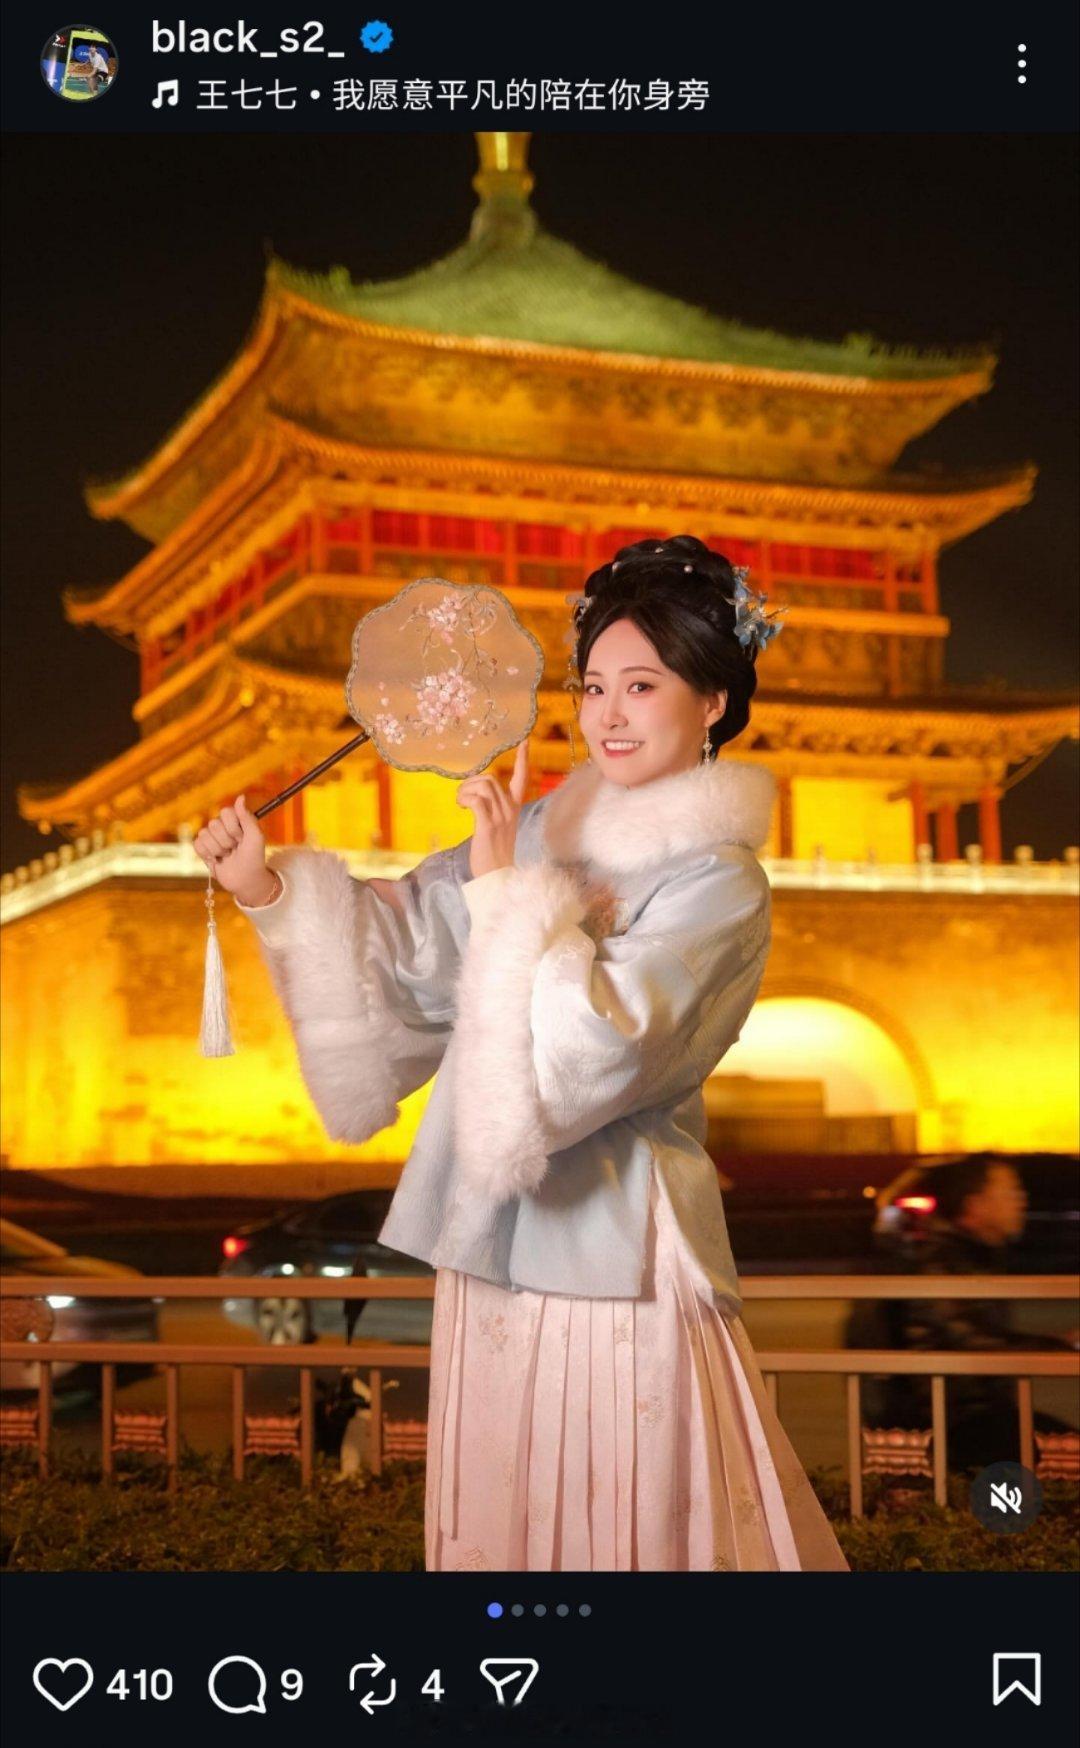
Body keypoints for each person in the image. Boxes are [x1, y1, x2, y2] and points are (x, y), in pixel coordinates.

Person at [195, 534, 849, 1572]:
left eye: (643, 685)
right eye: (594, 686)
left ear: (713, 701)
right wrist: (267, 888)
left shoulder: (719, 881)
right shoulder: (537, 829)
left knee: (627, 1514)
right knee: (504, 1514)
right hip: (493, 1239)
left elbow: (607, 1047)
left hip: (618, 1247)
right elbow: (415, 950)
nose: (609, 713)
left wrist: (505, 891)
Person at [854, 1155, 1078, 1472]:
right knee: (1062, 1456)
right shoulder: (941, 1261)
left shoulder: (972, 1255)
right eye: (1010, 1191)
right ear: (976, 1205)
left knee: (1058, 1454)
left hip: (977, 1413)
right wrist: (1062, 1348)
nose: (1022, 1199)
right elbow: (974, 1342)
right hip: (951, 1419)